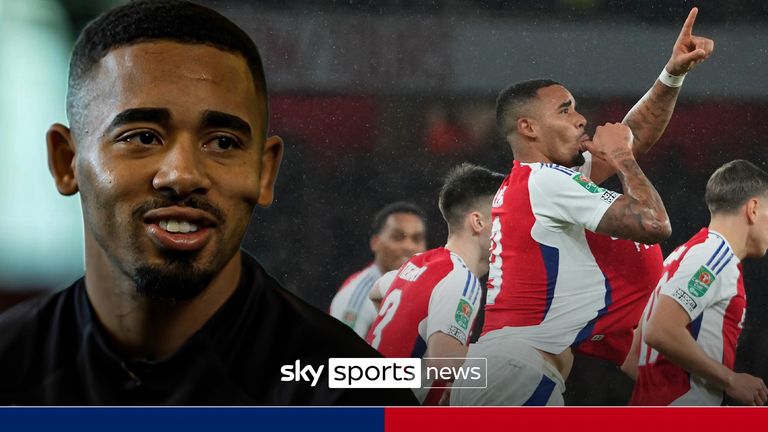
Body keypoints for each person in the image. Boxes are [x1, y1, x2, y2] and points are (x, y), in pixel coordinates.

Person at [0, 0, 416, 406]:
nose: (183, 176)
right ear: (65, 162)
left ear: (264, 173)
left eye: (222, 142)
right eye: (143, 137)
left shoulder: (352, 396)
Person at [451, 7, 713, 406]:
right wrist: (624, 160)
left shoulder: (538, 182)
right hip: (518, 372)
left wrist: (672, 74)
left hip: (507, 369)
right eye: (565, 109)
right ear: (528, 127)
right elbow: (655, 222)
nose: (581, 119)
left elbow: (634, 135)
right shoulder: (547, 182)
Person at [626, 160, 768, 406]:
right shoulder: (715, 257)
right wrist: (731, 380)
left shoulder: (683, 256)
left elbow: (632, 356)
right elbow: (660, 330)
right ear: (753, 208)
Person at [365, 163, 505, 404]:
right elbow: (445, 363)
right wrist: (506, 361)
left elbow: (376, 292)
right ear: (478, 223)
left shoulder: (418, 265)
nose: (512, 228)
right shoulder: (460, 277)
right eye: (504, 218)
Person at [330, 202, 427, 338]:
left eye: (417, 239)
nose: (409, 246)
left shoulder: (427, 289)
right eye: (398, 237)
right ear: (375, 243)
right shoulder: (357, 295)